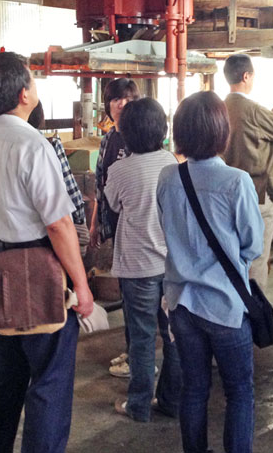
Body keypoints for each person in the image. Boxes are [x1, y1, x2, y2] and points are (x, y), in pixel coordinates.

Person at [0, 52, 94, 453]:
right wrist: (81, 286)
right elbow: (58, 224)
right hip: (39, 273)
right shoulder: (33, 144)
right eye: (33, 80)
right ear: (23, 94)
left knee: (1, 377)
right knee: (50, 381)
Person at [158, 91, 264, 453]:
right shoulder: (236, 181)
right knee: (239, 392)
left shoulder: (167, 178)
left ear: (180, 132)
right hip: (224, 306)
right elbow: (252, 245)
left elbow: (166, 228)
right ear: (222, 131)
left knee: (194, 389)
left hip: (181, 304)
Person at [105, 97, 181, 422]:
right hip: (173, 266)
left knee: (141, 338)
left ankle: (138, 405)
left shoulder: (119, 169)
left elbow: (113, 204)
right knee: (174, 336)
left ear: (126, 133)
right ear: (162, 130)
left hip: (137, 268)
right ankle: (171, 401)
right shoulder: (173, 164)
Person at [222, 53, 273, 291]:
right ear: (246, 76)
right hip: (258, 193)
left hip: (229, 193)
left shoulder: (222, 107)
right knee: (257, 257)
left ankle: (234, 303)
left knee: (233, 254)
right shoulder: (253, 109)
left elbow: (247, 134)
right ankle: (255, 308)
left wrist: (271, 116)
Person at [88, 77, 140, 378]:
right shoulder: (108, 139)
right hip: (115, 224)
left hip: (136, 228)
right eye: (115, 99)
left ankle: (138, 357)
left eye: (127, 98)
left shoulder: (141, 137)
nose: (121, 104)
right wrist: (96, 223)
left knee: (137, 294)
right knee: (126, 291)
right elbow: (100, 184)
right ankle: (133, 349)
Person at [27, 102, 90, 256]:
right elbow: (70, 189)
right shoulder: (51, 145)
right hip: (50, 234)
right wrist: (80, 220)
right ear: (40, 117)